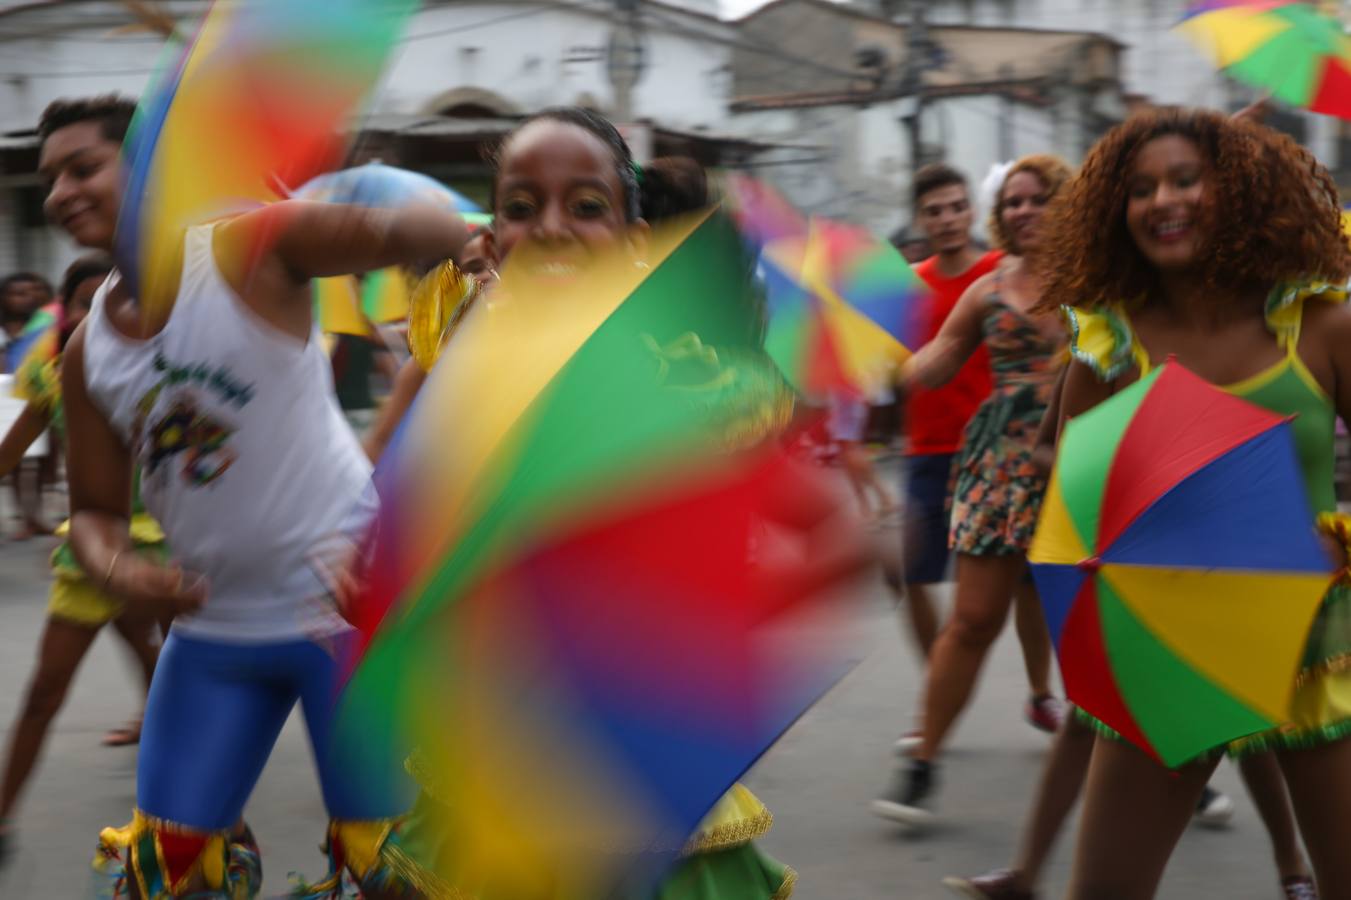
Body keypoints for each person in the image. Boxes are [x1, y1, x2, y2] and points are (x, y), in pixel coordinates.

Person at [371, 110, 854, 899]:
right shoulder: (466, 379)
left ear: (634, 243)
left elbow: (835, 533)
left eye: (586, 206)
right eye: (521, 207)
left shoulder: (689, 390)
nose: (550, 227)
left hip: (641, 784)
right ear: (492, 240)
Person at [47, 92, 469, 897]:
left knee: (393, 873)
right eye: (50, 179)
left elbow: (405, 227)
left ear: (149, 169)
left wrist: (462, 238)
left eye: (83, 167)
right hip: (211, 639)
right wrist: (123, 571)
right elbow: (95, 512)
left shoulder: (246, 249)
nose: (61, 193)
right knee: (169, 871)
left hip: (346, 620)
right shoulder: (84, 352)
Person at [1040, 107, 1351, 899]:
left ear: (1235, 192)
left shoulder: (1316, 324)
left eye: (1185, 180)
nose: (1162, 202)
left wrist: (1339, 540)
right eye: (1140, 189)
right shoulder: (1110, 345)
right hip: (1169, 645)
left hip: (1313, 645)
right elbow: (1078, 491)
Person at [943, 374, 1315, 900]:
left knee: (1246, 723)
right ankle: (1025, 873)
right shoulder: (1099, 345)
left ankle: (1291, 867)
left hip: (1233, 561)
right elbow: (1049, 448)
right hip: (1133, 559)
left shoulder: (1287, 341)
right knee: (1088, 715)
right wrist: (1103, 480)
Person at [874, 155, 1072, 826]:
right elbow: (933, 363)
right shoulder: (989, 289)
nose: (1023, 210)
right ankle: (921, 765)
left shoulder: (1099, 283)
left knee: (1106, 624)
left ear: (1064, 204)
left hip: (1079, 462)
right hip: (1000, 466)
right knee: (974, 619)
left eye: (1037, 198)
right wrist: (888, 363)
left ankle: (1174, 764)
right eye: (1012, 201)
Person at [0, 254, 168, 864]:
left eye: (111, 299)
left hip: (167, 549)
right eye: (82, 301)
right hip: (90, 555)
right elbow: (8, 453)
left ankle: (198, 822)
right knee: (46, 689)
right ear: (64, 311)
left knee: (182, 678)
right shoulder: (54, 376)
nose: (96, 313)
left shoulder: (171, 369)